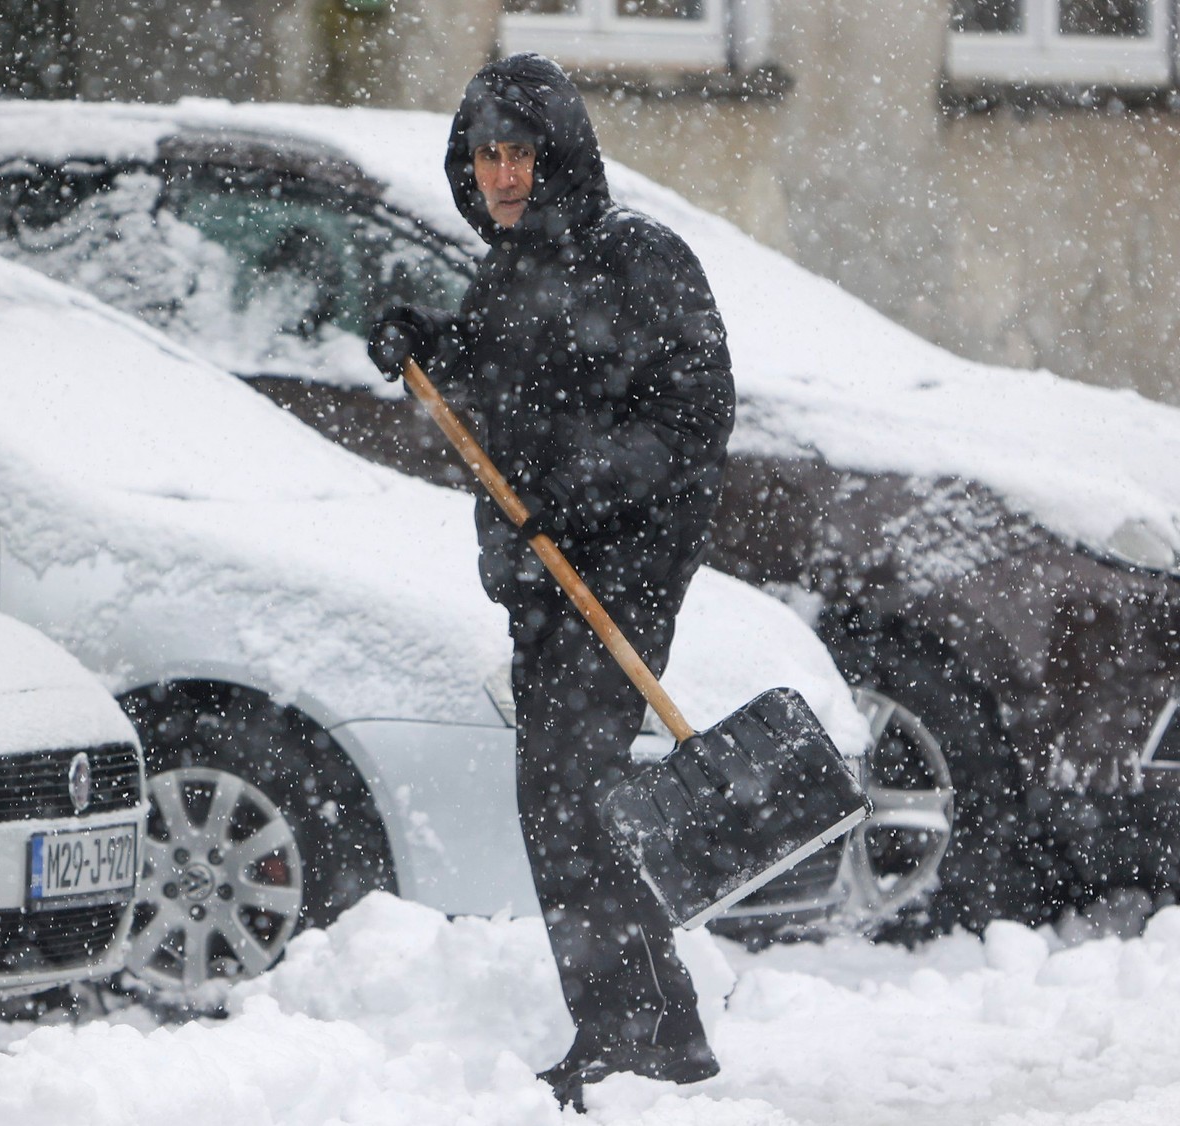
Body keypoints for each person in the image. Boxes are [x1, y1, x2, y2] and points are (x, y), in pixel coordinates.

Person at [365, 52, 735, 1112]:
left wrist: (581, 489)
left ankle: (641, 1037)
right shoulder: (506, 275)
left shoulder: (639, 261)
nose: (501, 175)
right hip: (537, 583)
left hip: (619, 574)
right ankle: (647, 1029)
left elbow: (692, 417)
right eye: (483, 156)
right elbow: (483, 391)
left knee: (570, 798)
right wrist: (418, 339)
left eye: (518, 151)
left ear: (558, 152)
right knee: (560, 804)